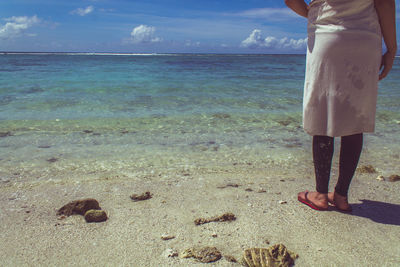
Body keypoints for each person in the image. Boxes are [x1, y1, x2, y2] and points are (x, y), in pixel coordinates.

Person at [284, 0, 397, 211]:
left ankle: (319, 194)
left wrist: (312, 12)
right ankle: (341, 195)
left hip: (327, 35)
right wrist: (392, 49)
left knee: (323, 116)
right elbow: (385, 3)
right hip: (364, 38)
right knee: (354, 117)